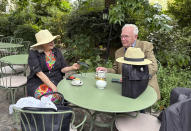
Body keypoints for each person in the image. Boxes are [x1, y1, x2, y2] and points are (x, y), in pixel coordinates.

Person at [96, 24, 160, 99]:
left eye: (126, 36)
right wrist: (106, 70)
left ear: (135, 37)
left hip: (146, 86)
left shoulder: (145, 46)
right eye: (122, 36)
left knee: (142, 109)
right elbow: (116, 70)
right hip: (127, 88)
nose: (123, 39)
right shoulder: (119, 52)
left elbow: (153, 67)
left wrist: (131, 77)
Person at [27, 29, 80, 100]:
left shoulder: (56, 51)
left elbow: (62, 68)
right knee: (49, 97)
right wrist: (53, 87)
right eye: (48, 41)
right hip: (39, 82)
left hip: (56, 80)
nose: (52, 42)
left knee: (67, 93)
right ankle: (50, 110)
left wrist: (72, 68)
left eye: (52, 40)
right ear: (42, 44)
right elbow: (39, 73)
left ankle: (60, 109)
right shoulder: (34, 53)